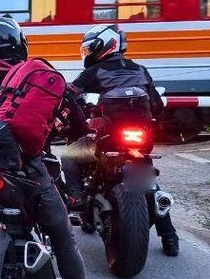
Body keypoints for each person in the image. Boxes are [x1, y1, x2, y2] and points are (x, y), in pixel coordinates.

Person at [0, 17, 113, 279]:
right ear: (19, 43)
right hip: (26, 166)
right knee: (61, 233)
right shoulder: (39, 76)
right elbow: (78, 126)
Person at [64, 24, 179, 257]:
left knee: (69, 156)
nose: (88, 54)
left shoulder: (95, 72)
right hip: (142, 141)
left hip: (110, 140)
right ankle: (169, 237)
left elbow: (68, 95)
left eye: (90, 49)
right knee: (148, 182)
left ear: (102, 46)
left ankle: (76, 197)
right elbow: (156, 104)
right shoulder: (140, 69)